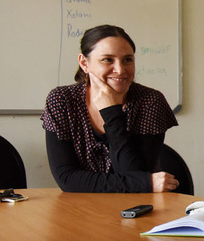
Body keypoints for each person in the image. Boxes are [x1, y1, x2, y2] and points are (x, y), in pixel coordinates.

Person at [42, 25, 179, 193]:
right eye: (107, 59)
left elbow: (135, 176)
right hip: (78, 208)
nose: (120, 70)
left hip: (135, 209)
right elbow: (67, 179)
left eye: (127, 60)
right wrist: (143, 182)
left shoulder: (150, 101)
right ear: (84, 63)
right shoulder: (62, 100)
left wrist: (111, 112)